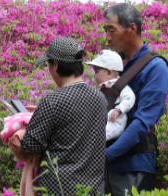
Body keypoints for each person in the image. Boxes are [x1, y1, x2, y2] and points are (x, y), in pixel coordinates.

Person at [8, 37, 106, 196]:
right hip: (92, 188)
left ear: (56, 64)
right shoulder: (99, 98)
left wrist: (25, 123)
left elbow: (31, 146)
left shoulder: (53, 102)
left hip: (58, 187)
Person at [102, 4, 168, 194]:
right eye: (105, 30)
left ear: (132, 29)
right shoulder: (114, 65)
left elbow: (142, 123)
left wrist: (106, 156)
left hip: (133, 166)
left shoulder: (155, 68)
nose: (107, 38)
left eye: (112, 30)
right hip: (105, 166)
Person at [89, 50, 136, 143]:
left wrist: (118, 109)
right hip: (106, 120)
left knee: (98, 137)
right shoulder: (103, 87)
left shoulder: (120, 86)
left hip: (115, 122)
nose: (94, 76)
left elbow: (130, 98)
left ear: (109, 73)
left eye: (96, 72)